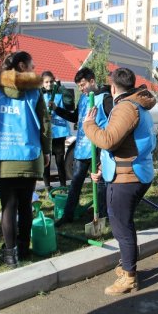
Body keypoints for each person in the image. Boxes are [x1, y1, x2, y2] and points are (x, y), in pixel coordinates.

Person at [83, 68, 156, 296]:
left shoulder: (125, 107)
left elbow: (109, 140)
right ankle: (127, 263)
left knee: (121, 226)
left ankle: (129, 277)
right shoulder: (136, 105)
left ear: (113, 88)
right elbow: (126, 143)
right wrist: (103, 168)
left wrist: (89, 125)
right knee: (124, 223)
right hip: (130, 172)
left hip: (127, 178)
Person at [0, 51, 52, 268]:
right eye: (31, 66)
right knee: (25, 204)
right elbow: (45, 123)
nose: (34, 70)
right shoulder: (36, 91)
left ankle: (10, 255)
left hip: (1, 156)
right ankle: (23, 247)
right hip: (28, 155)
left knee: (8, 206)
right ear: (21, 66)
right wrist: (46, 151)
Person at [52, 67, 112, 226]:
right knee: (75, 185)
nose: (81, 88)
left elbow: (112, 126)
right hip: (81, 149)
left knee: (100, 186)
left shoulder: (105, 99)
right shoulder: (84, 99)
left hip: (97, 150)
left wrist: (101, 156)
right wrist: (56, 109)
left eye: (83, 84)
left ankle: (102, 217)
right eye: (79, 86)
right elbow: (74, 117)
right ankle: (68, 215)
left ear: (92, 81)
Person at [41, 71, 75, 191]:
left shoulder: (59, 93)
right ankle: (47, 187)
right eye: (46, 82)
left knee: (60, 160)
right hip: (45, 133)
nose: (49, 84)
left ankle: (63, 186)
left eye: (51, 81)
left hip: (59, 133)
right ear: (42, 83)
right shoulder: (39, 94)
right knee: (46, 161)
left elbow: (70, 102)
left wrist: (60, 86)